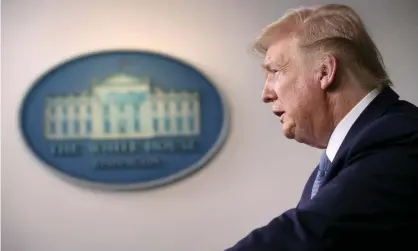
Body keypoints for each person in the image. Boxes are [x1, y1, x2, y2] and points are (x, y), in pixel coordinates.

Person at [225, 3, 418, 251]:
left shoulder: (401, 137)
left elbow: (311, 235)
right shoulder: (332, 167)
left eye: (274, 72)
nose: (266, 94)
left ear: (325, 72)